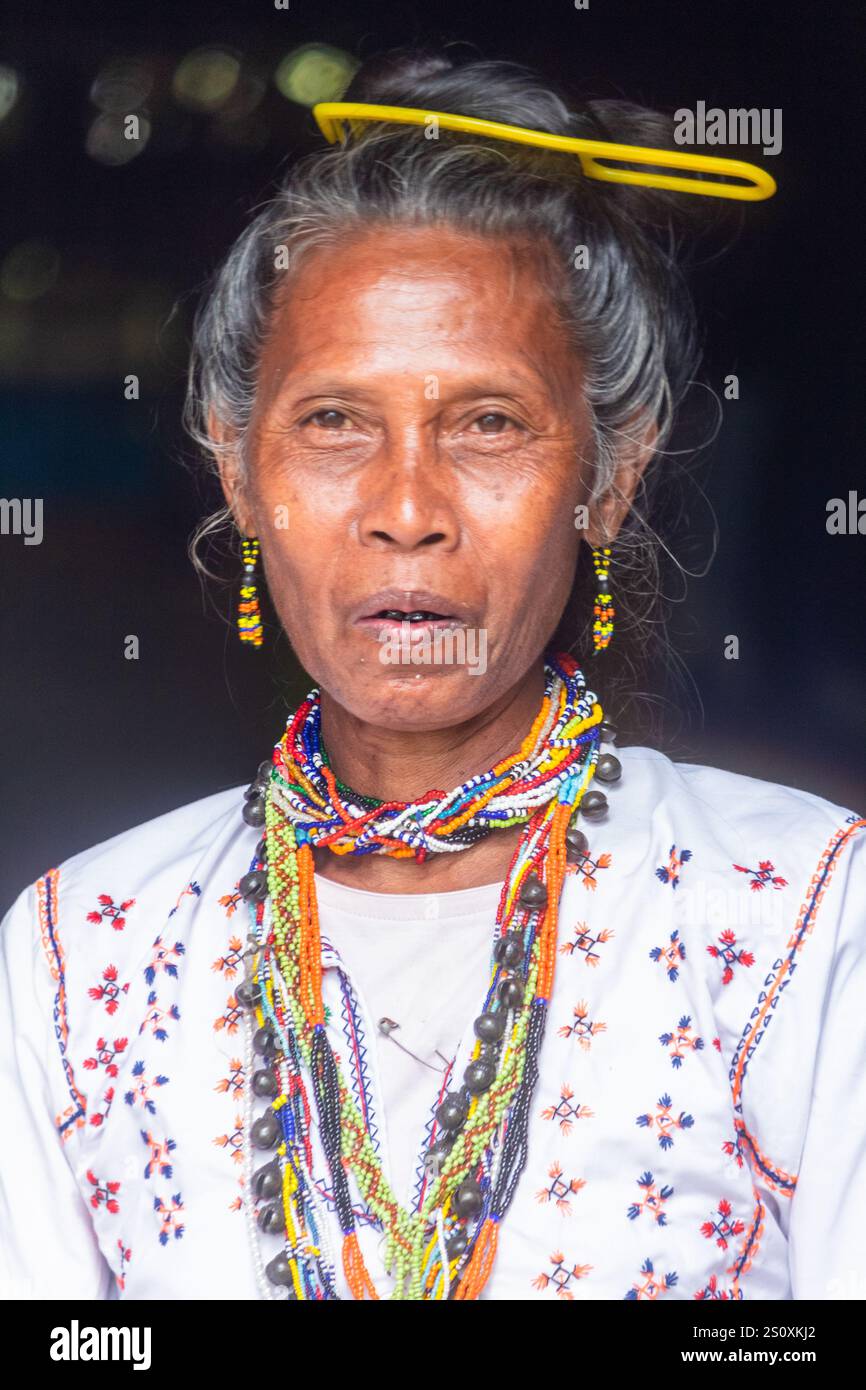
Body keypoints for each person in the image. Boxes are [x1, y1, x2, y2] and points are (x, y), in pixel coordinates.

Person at [1, 47, 863, 1303]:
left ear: (608, 479)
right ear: (239, 473)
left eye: (488, 423)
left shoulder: (797, 919)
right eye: (335, 422)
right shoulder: (81, 956)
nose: (406, 509)